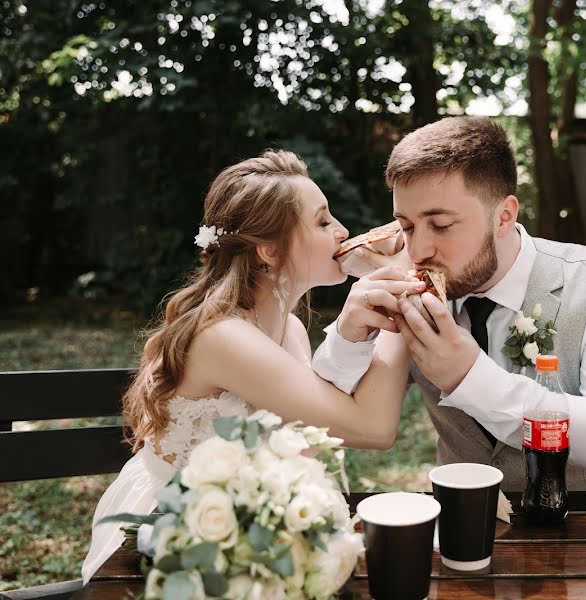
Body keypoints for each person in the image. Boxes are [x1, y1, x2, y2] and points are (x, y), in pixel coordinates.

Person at [81, 150, 425, 582]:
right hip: (183, 535)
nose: (343, 232)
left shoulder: (292, 332)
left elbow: (318, 433)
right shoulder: (223, 337)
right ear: (269, 250)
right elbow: (372, 428)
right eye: (322, 222)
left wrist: (371, 309)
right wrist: (407, 285)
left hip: (256, 521)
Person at [313, 117, 586, 492]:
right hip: (465, 526)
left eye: (441, 225)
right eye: (406, 227)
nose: (419, 250)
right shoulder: (411, 291)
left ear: (504, 216)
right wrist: (347, 339)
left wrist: (470, 377)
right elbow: (330, 418)